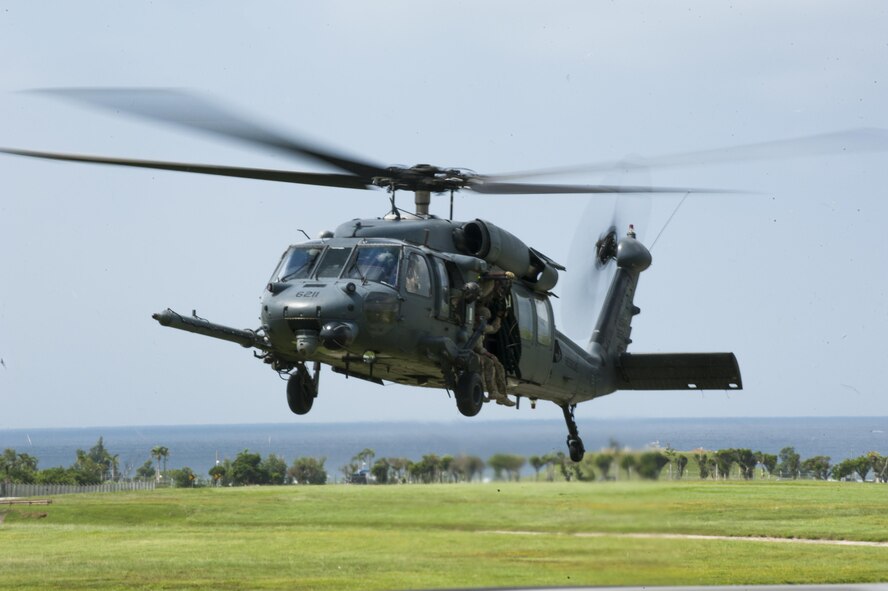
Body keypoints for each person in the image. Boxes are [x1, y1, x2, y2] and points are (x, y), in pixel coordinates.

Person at [474, 305, 514, 407]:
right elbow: (477, 347)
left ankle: (503, 396)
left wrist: (498, 317)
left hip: (479, 352)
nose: (484, 321)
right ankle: (490, 391)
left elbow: (493, 328)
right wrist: (489, 354)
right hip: (473, 353)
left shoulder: (481, 326)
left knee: (499, 366)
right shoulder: (473, 327)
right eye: (483, 318)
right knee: (488, 362)